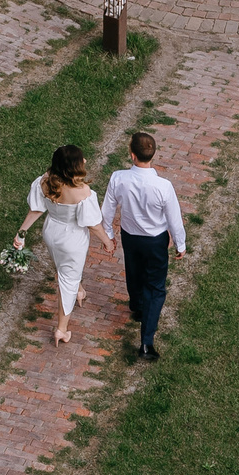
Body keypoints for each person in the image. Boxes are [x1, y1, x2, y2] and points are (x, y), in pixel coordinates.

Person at [102, 130, 185, 361]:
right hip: (155, 240)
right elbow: (173, 218)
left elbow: (107, 210)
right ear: (153, 155)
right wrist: (180, 243)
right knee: (156, 287)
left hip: (130, 236)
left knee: (134, 272)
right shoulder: (163, 186)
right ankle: (146, 342)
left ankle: (138, 306)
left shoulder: (118, 178)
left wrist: (108, 234)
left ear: (132, 155)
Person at [15, 144, 108, 343]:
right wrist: (107, 242)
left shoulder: (45, 181)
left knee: (64, 267)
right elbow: (93, 224)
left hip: (51, 232)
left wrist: (21, 233)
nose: (84, 161)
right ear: (74, 166)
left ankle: (80, 291)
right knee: (67, 281)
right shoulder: (82, 191)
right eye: (81, 159)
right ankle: (61, 329)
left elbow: (37, 210)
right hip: (72, 238)